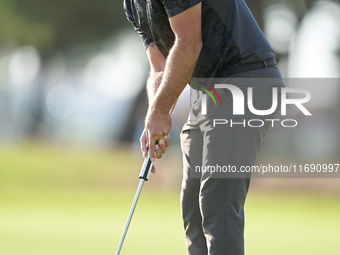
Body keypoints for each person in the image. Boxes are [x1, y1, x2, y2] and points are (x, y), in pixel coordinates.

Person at [124, 0, 284, 254]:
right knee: (193, 206)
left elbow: (189, 43)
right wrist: (154, 118)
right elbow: (160, 67)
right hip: (208, 90)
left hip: (246, 80)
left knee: (216, 203)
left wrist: (160, 112)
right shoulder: (132, 4)